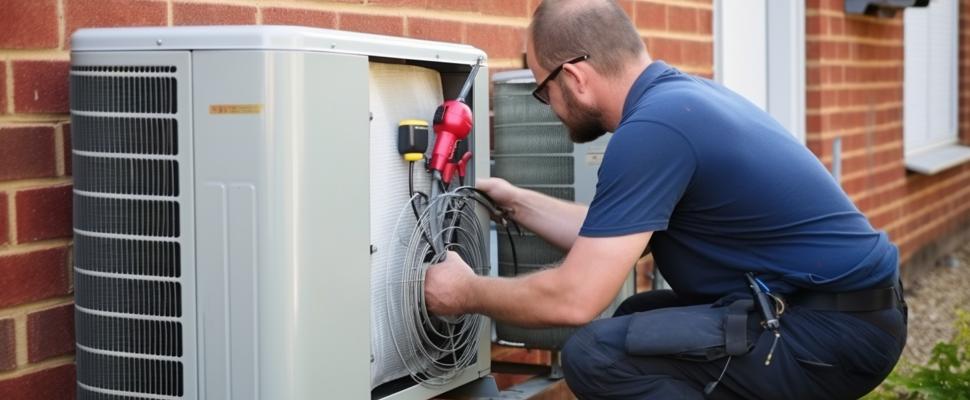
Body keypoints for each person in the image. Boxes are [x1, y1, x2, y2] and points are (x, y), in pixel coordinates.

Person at [424, 0, 907, 398]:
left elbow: (576, 298)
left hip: (832, 331)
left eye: (541, 91)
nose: (548, 107)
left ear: (574, 78)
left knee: (596, 355)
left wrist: (463, 292)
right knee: (641, 316)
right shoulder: (678, 101)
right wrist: (515, 200)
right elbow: (609, 235)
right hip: (841, 313)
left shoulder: (655, 130)